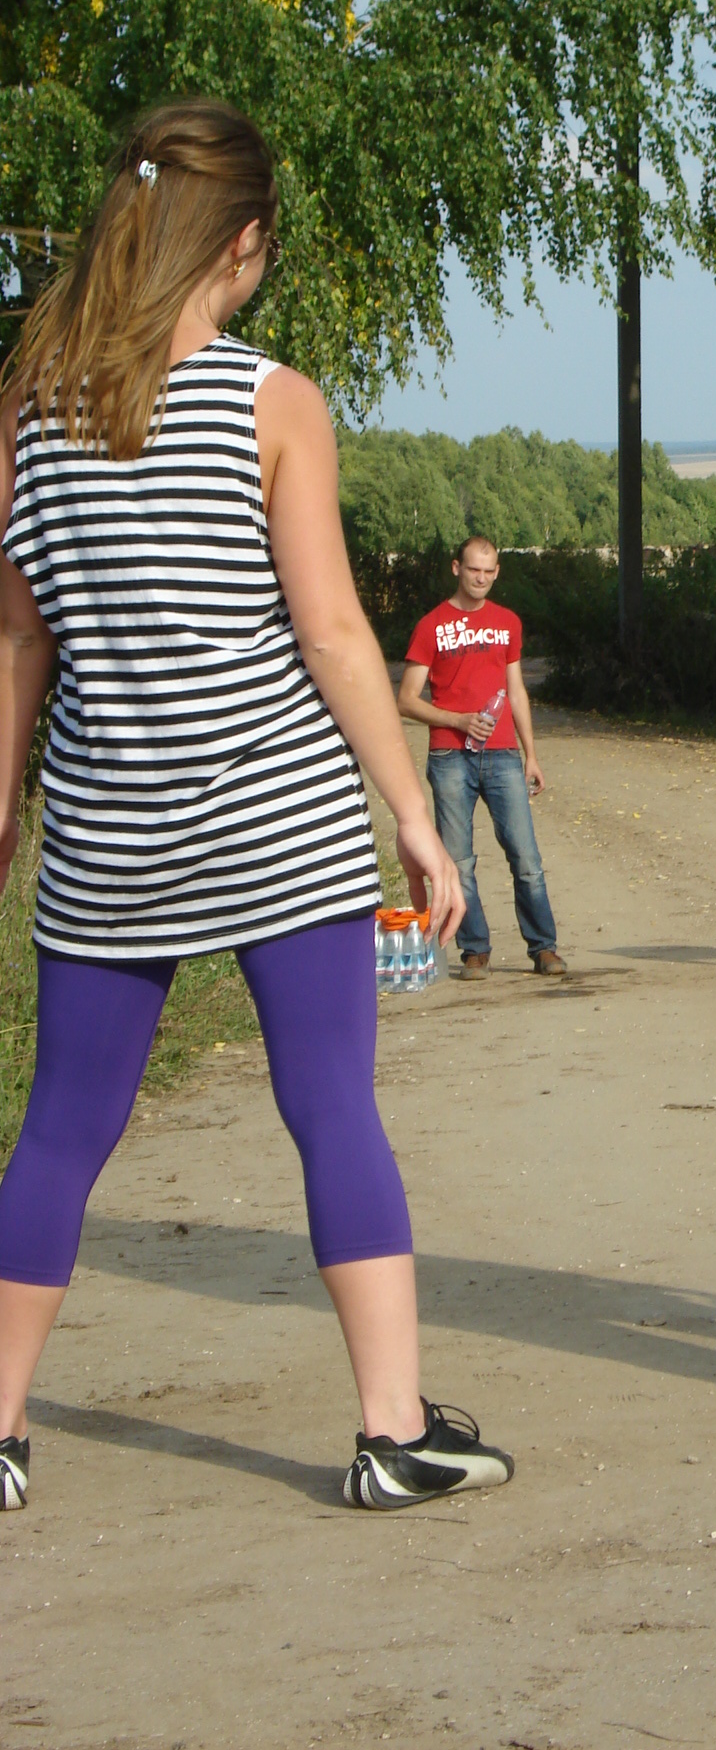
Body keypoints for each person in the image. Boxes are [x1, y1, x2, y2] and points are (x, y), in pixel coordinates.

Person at [0, 99, 512, 1512]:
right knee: (332, 1107)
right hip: (279, 821)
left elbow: (17, 639)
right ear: (240, 243)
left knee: (59, 1130)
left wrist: (0, 813)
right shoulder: (270, 400)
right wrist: (413, 810)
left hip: (106, 832)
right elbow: (336, 633)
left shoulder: (27, 405)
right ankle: (392, 1432)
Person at [398, 537, 565, 978]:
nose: (482, 578)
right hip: (450, 756)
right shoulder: (431, 626)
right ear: (456, 567)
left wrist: (531, 754)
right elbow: (406, 700)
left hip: (503, 754)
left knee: (526, 858)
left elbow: (516, 691)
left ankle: (544, 948)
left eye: (490, 571)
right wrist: (457, 720)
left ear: (497, 572)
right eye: (474, 569)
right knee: (458, 862)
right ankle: (474, 950)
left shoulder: (507, 622)